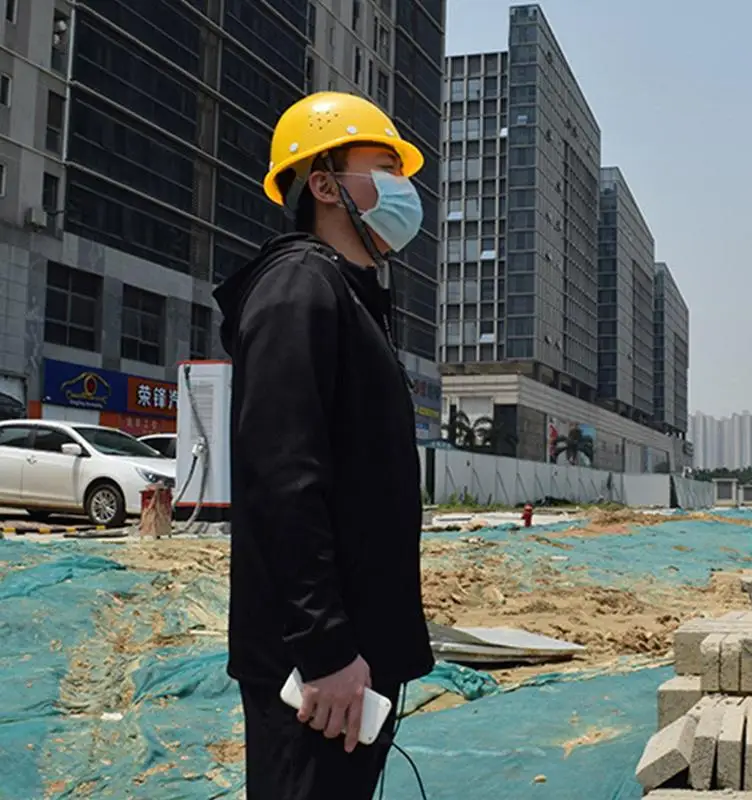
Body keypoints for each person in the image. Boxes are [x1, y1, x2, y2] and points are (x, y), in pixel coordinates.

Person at [213, 92, 434, 799]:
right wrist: (327, 650)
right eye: (381, 167)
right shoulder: (297, 291)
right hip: (318, 673)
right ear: (325, 183)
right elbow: (284, 482)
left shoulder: (348, 297)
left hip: (354, 664)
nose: (402, 188)